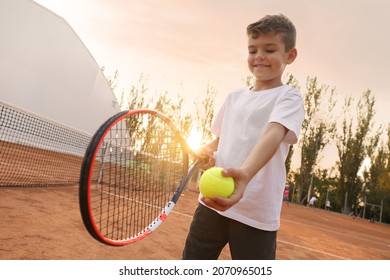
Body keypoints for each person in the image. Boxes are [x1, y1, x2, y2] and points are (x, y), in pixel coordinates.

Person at [182, 14, 305, 260]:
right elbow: (222, 140)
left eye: (269, 49)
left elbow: (273, 133)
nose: (259, 56)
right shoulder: (233, 98)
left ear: (289, 56)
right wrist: (208, 152)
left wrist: (245, 175)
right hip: (212, 203)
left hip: (255, 213)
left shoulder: (289, 98)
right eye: (252, 50)